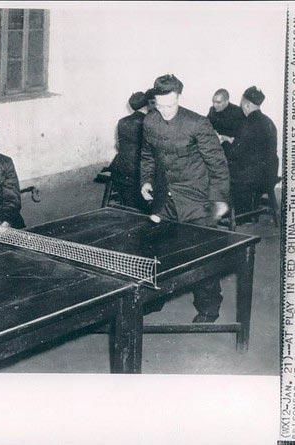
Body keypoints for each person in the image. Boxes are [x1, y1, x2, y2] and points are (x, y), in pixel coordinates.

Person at [140, 74, 230, 323]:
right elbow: (147, 155)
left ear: (179, 97)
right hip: (164, 198)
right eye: (160, 106)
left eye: (170, 105)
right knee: (159, 252)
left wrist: (219, 199)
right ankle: (156, 298)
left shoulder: (197, 123)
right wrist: (146, 181)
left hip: (195, 198)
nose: (165, 111)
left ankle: (209, 307)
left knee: (201, 256)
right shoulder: (149, 121)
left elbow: (218, 164)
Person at [225, 86, 278, 214]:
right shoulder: (269, 122)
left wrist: (224, 142)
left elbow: (233, 154)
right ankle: (251, 208)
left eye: (242, 104)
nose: (241, 107)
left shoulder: (247, 124)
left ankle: (236, 213)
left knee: (217, 173)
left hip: (250, 179)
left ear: (247, 105)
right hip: (269, 175)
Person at [109, 89, 157, 210]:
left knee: (129, 204)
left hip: (121, 170)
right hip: (140, 172)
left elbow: (119, 145)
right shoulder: (149, 122)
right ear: (147, 104)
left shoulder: (122, 121)